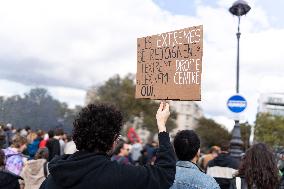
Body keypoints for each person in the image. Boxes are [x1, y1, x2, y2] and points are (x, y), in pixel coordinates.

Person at [40, 102, 176, 189]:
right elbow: (164, 175)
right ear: (112, 140)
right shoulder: (119, 175)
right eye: (117, 137)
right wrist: (162, 126)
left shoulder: (53, 177)